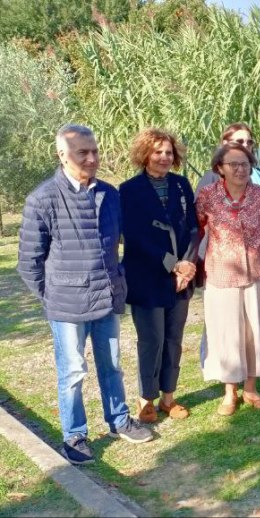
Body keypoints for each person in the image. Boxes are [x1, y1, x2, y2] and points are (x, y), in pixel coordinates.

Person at [18, 124, 153, 465]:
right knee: (73, 373)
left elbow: (118, 242)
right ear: (62, 155)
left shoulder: (109, 194)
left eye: (94, 151)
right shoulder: (43, 199)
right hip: (67, 306)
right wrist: (53, 297)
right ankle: (75, 435)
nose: (92, 158)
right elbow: (29, 262)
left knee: (112, 365)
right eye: (83, 152)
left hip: (106, 297)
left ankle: (119, 420)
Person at [195, 143, 260, 416]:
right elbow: (197, 228)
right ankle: (229, 392)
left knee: (254, 331)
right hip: (222, 272)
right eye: (233, 164)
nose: (240, 169)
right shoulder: (207, 196)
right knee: (227, 331)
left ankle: (251, 388)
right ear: (220, 168)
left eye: (245, 164)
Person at [119, 128, 197, 423]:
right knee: (151, 340)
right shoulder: (129, 190)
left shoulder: (181, 185)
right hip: (147, 277)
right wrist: (172, 264)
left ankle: (168, 398)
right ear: (145, 154)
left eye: (168, 152)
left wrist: (187, 266)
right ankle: (146, 399)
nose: (164, 157)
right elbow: (134, 236)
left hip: (181, 277)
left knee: (174, 339)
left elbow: (193, 228)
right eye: (157, 152)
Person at [196, 122, 260, 192]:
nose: (245, 145)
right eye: (239, 141)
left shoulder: (259, 175)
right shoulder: (212, 177)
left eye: (249, 142)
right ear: (225, 143)